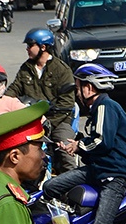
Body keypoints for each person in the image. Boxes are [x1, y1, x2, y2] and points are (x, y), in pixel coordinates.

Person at [34, 63, 126, 224]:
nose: (77, 91)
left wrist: (78, 146)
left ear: (90, 88)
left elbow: (102, 142)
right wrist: (78, 143)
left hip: (115, 174)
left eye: (79, 86)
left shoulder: (105, 106)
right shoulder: (96, 110)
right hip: (97, 169)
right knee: (51, 186)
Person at [15, 27, 79, 173]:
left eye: (30, 45)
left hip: (59, 121)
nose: (27, 49)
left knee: (66, 151)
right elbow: (13, 91)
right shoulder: (26, 69)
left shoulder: (62, 70)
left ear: (43, 47)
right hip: (32, 122)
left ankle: (75, 187)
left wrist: (49, 122)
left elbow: (67, 102)